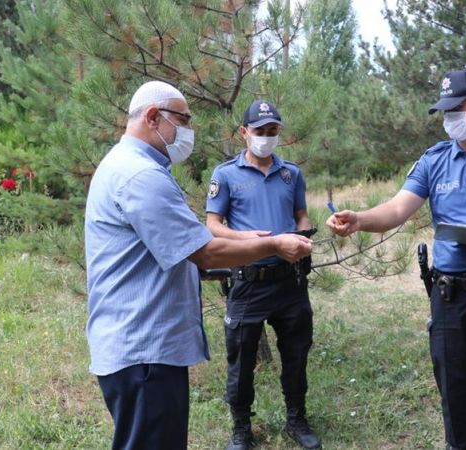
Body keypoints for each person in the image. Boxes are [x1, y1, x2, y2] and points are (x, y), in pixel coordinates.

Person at [326, 69, 466, 450]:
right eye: (444, 111)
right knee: (453, 393)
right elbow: (399, 208)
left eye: (456, 108)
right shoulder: (434, 160)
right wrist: (360, 219)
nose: (448, 118)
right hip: (451, 298)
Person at [84, 81, 312, 450]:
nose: (189, 130)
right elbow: (204, 249)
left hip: (143, 349)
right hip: (144, 351)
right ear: (154, 117)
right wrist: (271, 243)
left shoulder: (131, 167)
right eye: (184, 120)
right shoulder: (140, 176)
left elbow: (170, 252)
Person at [206, 99, 322, 450]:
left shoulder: (291, 174)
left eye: (273, 132)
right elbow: (212, 225)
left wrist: (304, 233)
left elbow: (300, 215)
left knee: (296, 353)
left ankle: (296, 419)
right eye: (259, 132)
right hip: (248, 280)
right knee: (240, 358)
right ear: (244, 133)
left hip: (289, 279)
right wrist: (251, 240)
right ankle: (241, 428)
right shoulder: (225, 174)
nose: (266, 138)